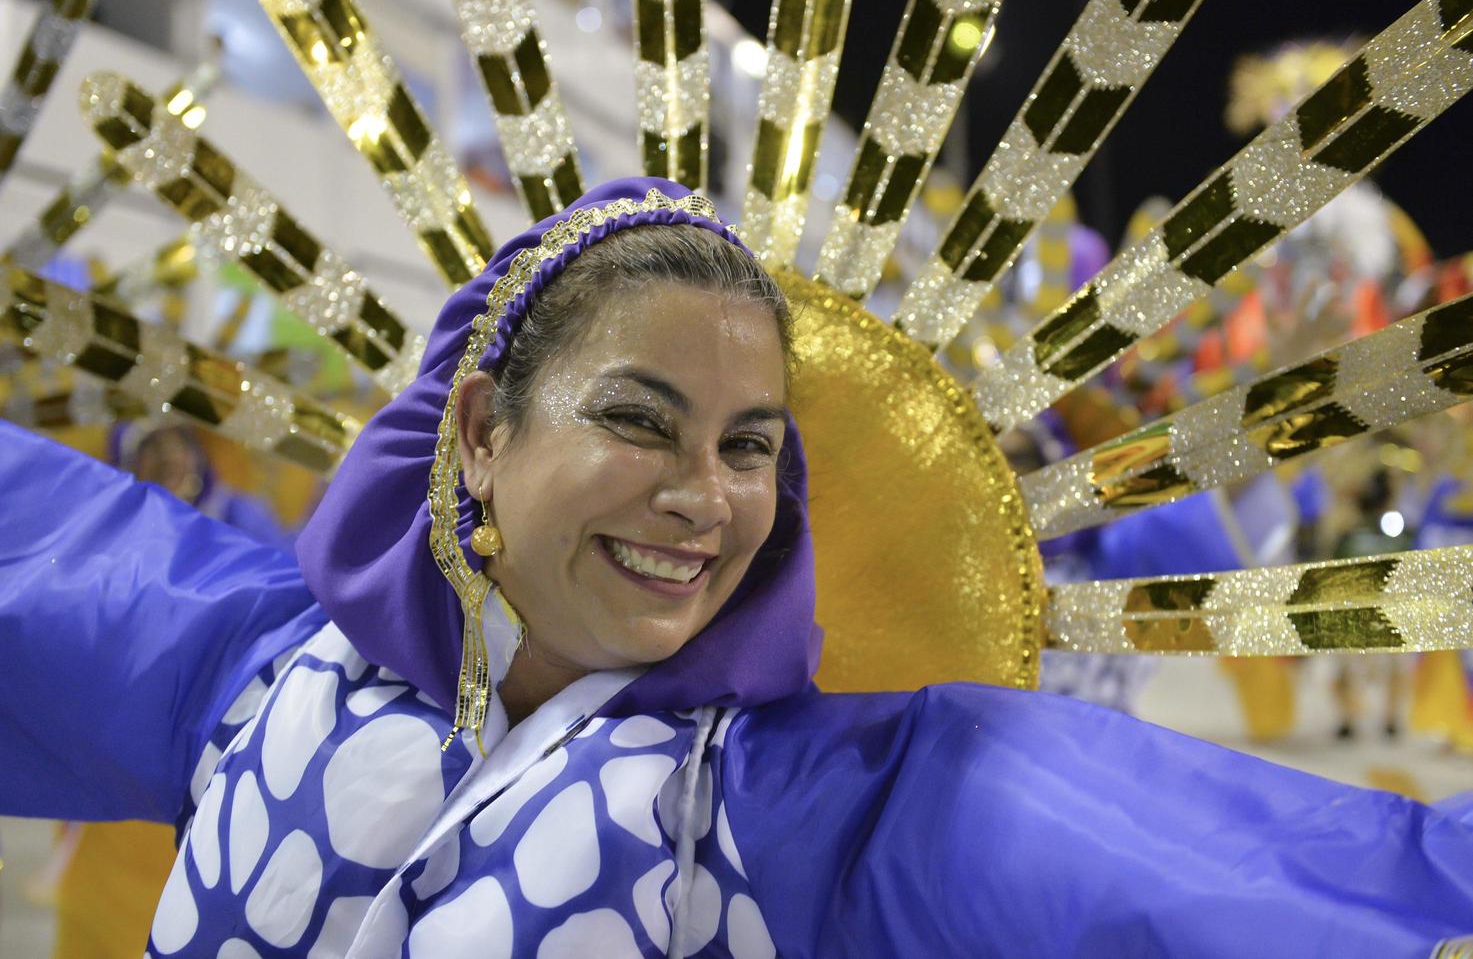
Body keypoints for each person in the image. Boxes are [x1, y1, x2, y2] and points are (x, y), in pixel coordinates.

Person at [3, 178, 1472, 957]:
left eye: (753, 447)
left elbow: (1217, 880)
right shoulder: (256, 670)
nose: (703, 499)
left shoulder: (780, 802)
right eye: (641, 421)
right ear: (478, 427)